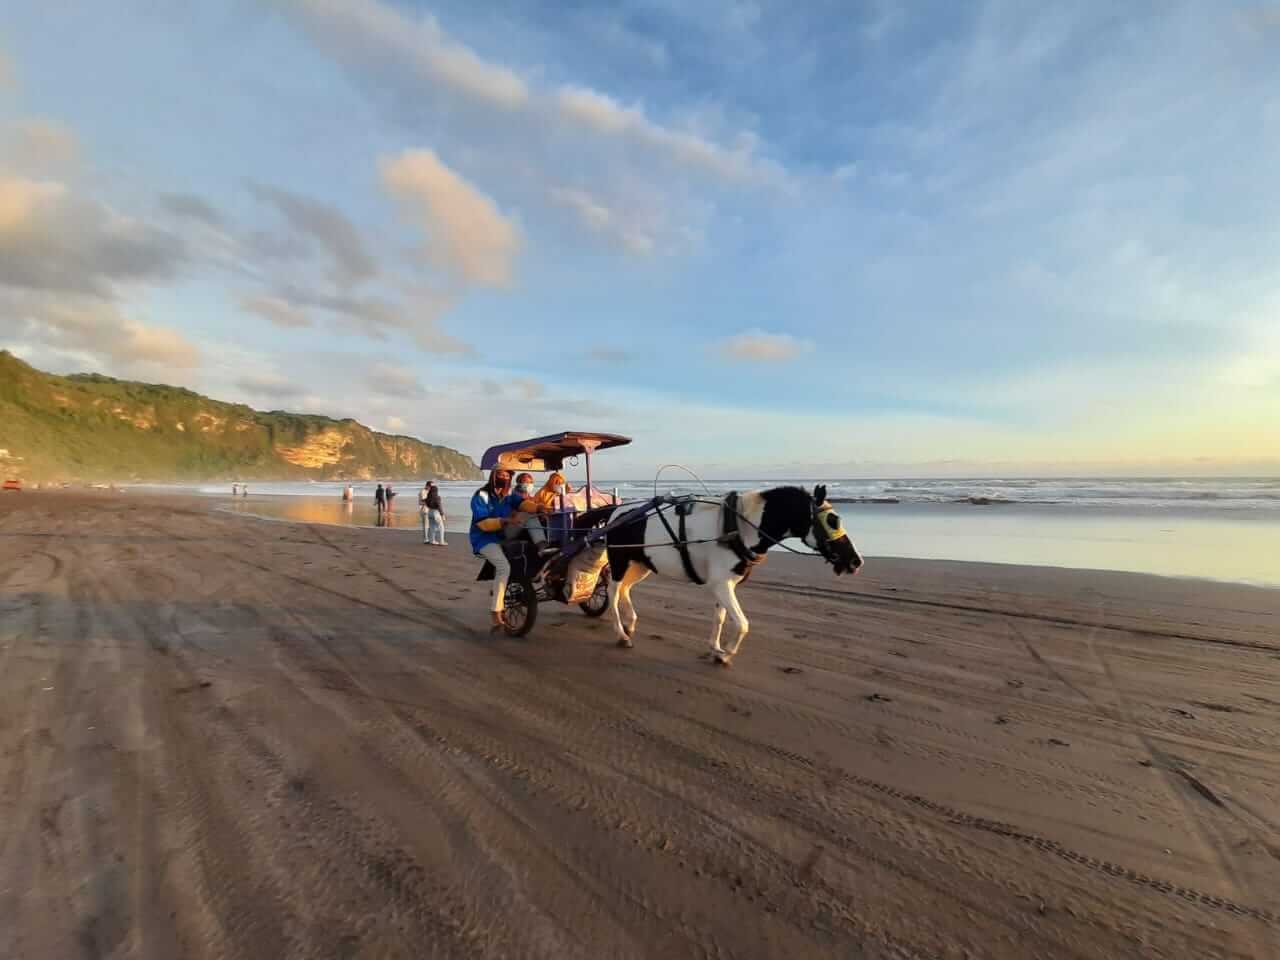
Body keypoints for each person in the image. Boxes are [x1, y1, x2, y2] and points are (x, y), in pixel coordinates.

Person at [471, 468, 519, 629]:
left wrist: (539, 507)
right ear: (493, 476)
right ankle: (496, 610)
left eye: (507, 476)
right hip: (484, 539)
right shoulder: (482, 495)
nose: (504, 478)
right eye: (501, 475)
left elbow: (522, 503)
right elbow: (483, 523)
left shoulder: (508, 495)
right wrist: (503, 521)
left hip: (503, 536)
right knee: (503, 566)